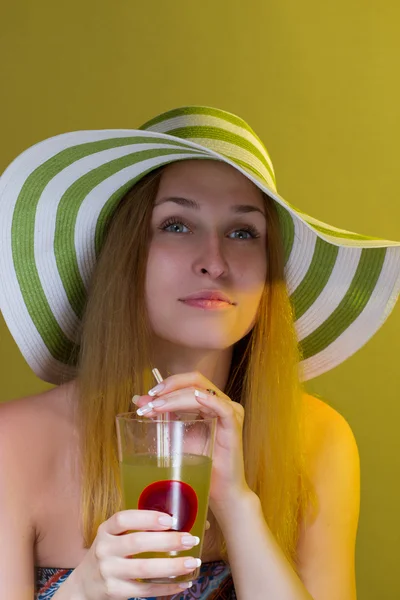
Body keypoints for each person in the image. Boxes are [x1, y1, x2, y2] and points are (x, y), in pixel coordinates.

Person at [0, 106, 398, 600]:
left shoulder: (317, 442)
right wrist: (85, 590)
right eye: (176, 225)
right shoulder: (11, 447)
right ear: (127, 253)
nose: (214, 261)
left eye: (242, 232)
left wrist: (238, 505)